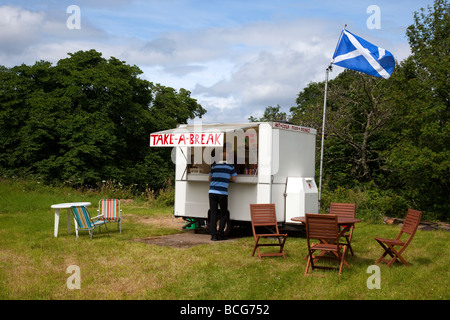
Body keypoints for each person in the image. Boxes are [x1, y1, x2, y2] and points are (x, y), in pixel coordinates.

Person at [208, 149, 237, 241]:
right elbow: (234, 179)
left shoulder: (214, 166)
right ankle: (220, 234)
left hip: (212, 191)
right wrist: (226, 179)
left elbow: (209, 179)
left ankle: (213, 236)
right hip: (222, 193)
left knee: (213, 213)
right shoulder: (230, 167)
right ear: (228, 158)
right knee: (224, 214)